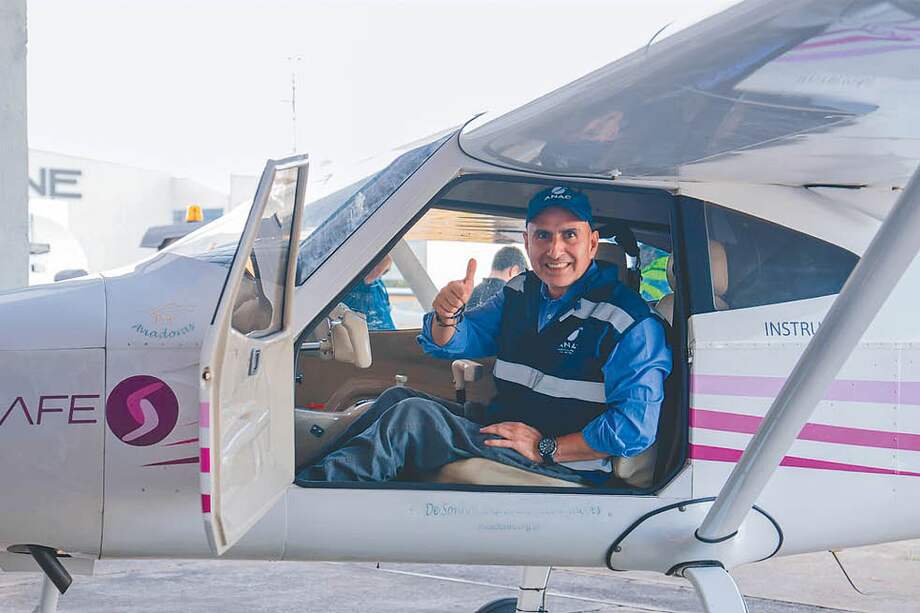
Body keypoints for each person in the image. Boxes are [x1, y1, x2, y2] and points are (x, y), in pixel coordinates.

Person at [297, 186, 671, 486]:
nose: (555, 250)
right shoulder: (521, 292)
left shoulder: (628, 322)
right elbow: (460, 339)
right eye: (543, 235)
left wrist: (545, 447)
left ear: (591, 243)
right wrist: (446, 315)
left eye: (569, 235)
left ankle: (309, 502)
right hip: (504, 429)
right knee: (396, 397)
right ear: (527, 243)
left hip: (568, 462)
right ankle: (301, 477)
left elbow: (634, 427)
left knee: (413, 418)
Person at [341, 254, 395, 330]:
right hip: (368, 333)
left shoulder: (377, 285)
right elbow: (386, 261)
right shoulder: (356, 284)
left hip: (379, 332)